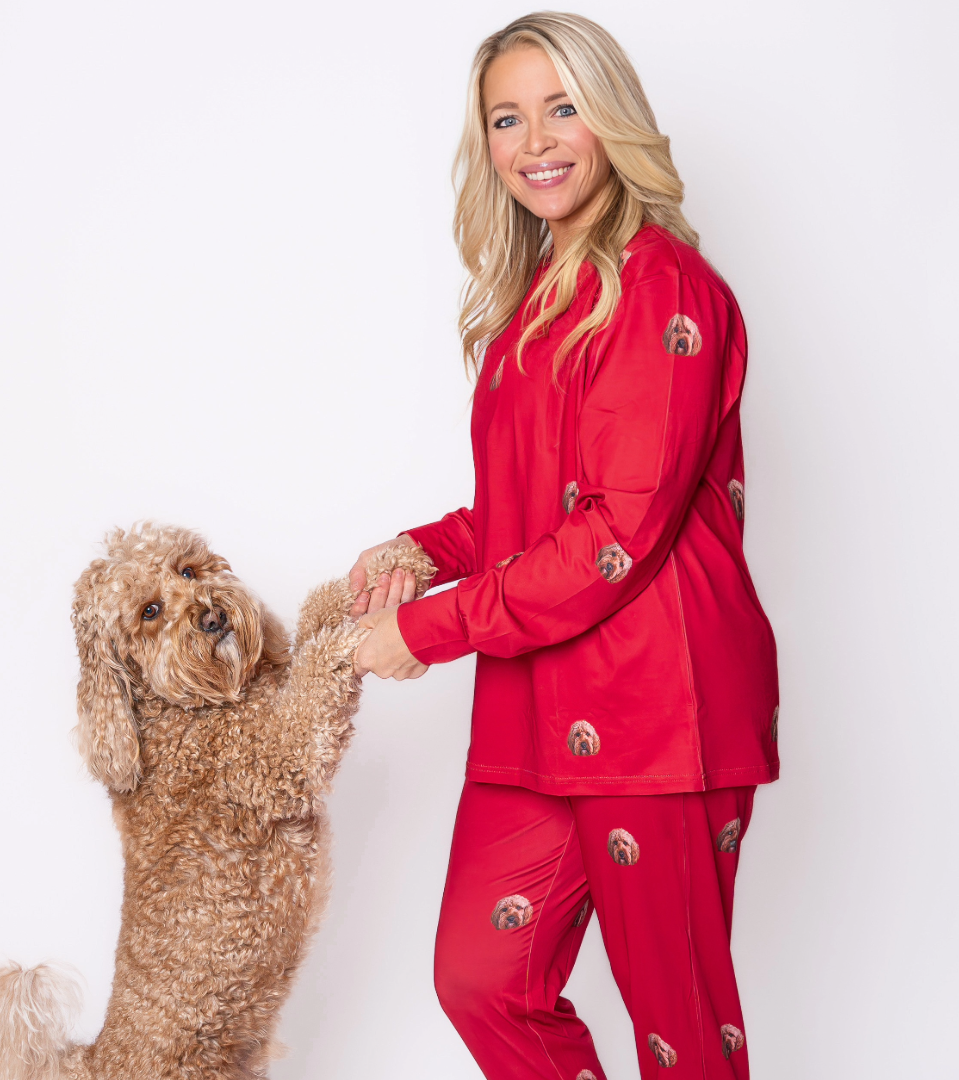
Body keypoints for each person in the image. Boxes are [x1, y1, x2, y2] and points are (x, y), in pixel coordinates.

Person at [350, 12, 778, 1079]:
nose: (535, 141)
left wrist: (428, 630)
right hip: (535, 708)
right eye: (507, 118)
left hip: (656, 711)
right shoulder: (537, 301)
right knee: (482, 981)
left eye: (562, 108)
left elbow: (614, 535)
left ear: (611, 118)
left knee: (682, 1035)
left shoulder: (664, 290)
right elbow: (533, 511)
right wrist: (422, 548)